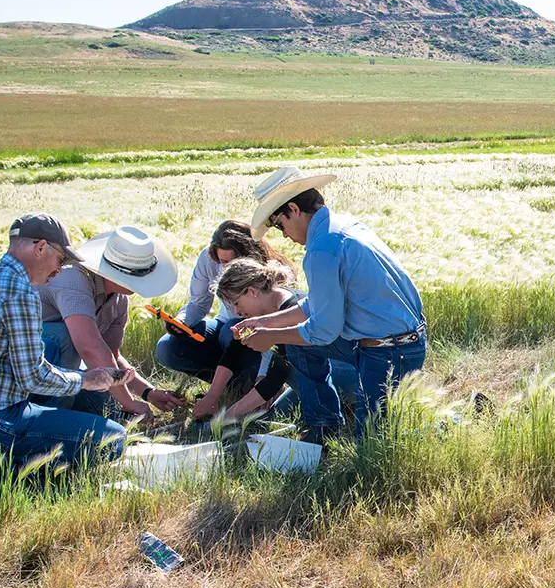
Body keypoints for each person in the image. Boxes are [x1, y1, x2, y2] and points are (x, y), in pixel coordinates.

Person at [232, 167, 427, 444]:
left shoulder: (322, 249)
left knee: (374, 445)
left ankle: (461, 418)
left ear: (294, 209)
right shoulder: (342, 225)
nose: (283, 234)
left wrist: (270, 337)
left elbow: (323, 330)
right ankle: (323, 427)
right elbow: (319, 304)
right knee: (298, 344)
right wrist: (263, 323)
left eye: (279, 224)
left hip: (389, 350)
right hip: (391, 341)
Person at [0, 213, 129, 471]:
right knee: (112, 439)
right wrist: (87, 379)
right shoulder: (19, 292)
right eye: (61, 259)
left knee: (100, 408)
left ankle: (0, 456)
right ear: (41, 248)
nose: (59, 270)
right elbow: (33, 378)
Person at [38, 224, 184, 418]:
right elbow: (88, 347)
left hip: (63, 369)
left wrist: (148, 392)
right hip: (27, 362)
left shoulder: (118, 301)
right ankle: (50, 417)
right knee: (65, 336)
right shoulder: (73, 278)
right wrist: (130, 403)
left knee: (108, 408)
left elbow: (111, 357)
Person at [153, 220, 290, 388]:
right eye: (223, 262)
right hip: (224, 326)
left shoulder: (266, 272)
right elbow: (198, 302)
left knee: (231, 331)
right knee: (167, 348)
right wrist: (182, 322)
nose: (227, 268)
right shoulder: (208, 259)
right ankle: (230, 386)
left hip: (253, 335)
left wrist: (264, 376)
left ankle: (251, 386)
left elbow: (273, 329)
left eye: (233, 262)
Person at [189, 258, 307, 425]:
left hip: (339, 375)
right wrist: (212, 396)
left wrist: (225, 418)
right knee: (268, 417)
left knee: (270, 415)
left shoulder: (291, 308)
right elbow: (236, 349)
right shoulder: (266, 305)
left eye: (236, 303)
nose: (237, 311)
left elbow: (278, 373)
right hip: (309, 377)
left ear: (252, 292)